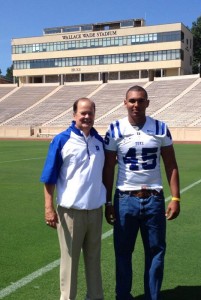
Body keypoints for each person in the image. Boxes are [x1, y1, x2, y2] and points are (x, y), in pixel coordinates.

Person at [103, 85, 180, 300]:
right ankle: (123, 296)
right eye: (132, 101)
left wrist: (175, 197)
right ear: (125, 103)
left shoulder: (160, 128)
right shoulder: (115, 129)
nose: (136, 105)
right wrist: (107, 202)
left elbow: (171, 164)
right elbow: (108, 168)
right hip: (125, 198)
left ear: (148, 102)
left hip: (154, 198)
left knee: (156, 252)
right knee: (123, 252)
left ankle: (152, 296)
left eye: (141, 100)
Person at [40, 97, 106, 300]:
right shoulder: (62, 140)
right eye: (83, 113)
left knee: (94, 260)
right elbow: (49, 177)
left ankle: (95, 297)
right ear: (74, 115)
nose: (87, 116)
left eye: (90, 113)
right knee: (70, 261)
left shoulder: (99, 141)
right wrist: (49, 208)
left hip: (95, 211)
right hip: (70, 213)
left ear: (95, 114)